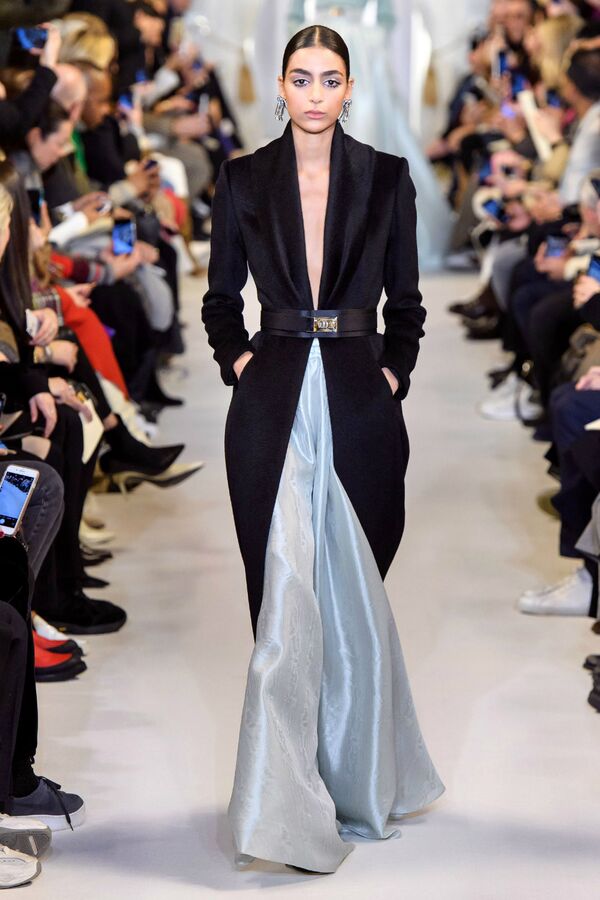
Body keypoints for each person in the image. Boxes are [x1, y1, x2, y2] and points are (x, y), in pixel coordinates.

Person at [201, 24, 444, 875]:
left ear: (348, 88)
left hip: (357, 399)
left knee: (351, 601)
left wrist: (395, 373)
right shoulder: (242, 179)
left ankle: (352, 778)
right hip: (270, 404)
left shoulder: (387, 177)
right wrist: (238, 362)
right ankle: (280, 805)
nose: (314, 93)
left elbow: (408, 301)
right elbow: (219, 296)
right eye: (300, 77)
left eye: (329, 78)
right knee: (282, 605)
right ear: (280, 85)